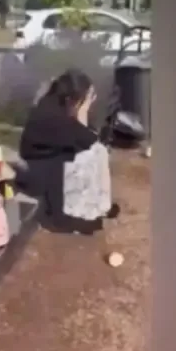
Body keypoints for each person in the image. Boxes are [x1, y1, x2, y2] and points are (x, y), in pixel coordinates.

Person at [18, 69, 120, 234]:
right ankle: (75, 215)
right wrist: (83, 111)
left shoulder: (52, 106)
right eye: (87, 97)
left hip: (43, 167)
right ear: (72, 99)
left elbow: (84, 137)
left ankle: (98, 205)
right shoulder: (54, 119)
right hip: (39, 177)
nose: (91, 101)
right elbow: (90, 140)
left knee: (94, 152)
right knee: (95, 153)